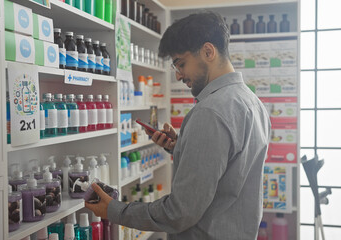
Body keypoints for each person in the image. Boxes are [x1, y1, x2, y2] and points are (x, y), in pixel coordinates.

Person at [85, 11, 271, 239]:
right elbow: (231, 169)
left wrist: (115, 210)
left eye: (181, 64)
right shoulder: (253, 103)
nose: (179, 76)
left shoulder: (210, 112)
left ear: (208, 52)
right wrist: (181, 146)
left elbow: (180, 213)